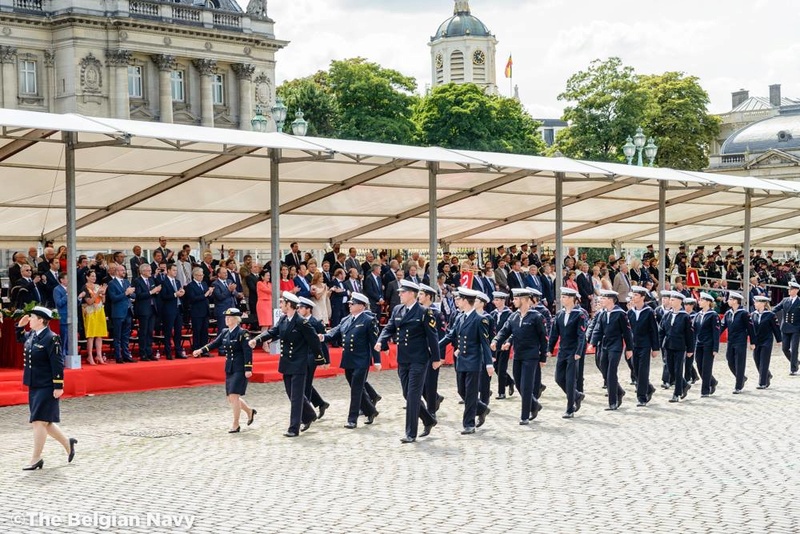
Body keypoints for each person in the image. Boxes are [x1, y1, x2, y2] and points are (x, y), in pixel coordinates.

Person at [249, 292, 322, 438]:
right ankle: (309, 415)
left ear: (289, 305)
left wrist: (320, 359)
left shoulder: (302, 322)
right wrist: (257, 339)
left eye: (282, 303)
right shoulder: (283, 319)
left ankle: (293, 428)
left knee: (296, 397)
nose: (281, 305)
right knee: (292, 394)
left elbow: (314, 340)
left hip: (299, 363)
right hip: (286, 362)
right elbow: (272, 332)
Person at [376, 280, 441, 443]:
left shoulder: (424, 312)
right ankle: (428, 419)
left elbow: (432, 337)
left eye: (402, 292)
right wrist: (380, 341)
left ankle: (411, 433)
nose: (399, 295)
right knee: (407, 393)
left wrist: (436, 358)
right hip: (403, 358)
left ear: (412, 293)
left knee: (413, 394)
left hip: (419, 358)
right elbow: (389, 327)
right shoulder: (398, 309)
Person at [17, 306, 77, 470]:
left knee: (38, 421)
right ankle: (68, 443)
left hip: (46, 385)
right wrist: (20, 326)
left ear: (42, 320)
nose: (30, 319)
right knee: (45, 422)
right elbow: (21, 339)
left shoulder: (51, 338)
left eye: (33, 317)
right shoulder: (33, 335)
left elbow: (57, 363)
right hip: (34, 384)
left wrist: (58, 385)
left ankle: (36, 459)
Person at [321, 292, 381, 429]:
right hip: (348, 359)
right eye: (349, 303)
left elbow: (374, 342)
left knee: (356, 390)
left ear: (361, 306)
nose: (349, 305)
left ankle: (352, 419)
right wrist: (323, 337)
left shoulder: (368, 320)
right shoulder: (346, 319)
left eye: (352, 304)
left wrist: (377, 361)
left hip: (361, 360)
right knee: (355, 388)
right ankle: (371, 410)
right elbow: (334, 333)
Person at [438, 287, 493, 435]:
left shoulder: (480, 319)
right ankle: (481, 408)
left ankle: (469, 424)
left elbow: (485, 343)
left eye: (459, 299)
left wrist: (489, 363)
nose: (457, 301)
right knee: (461, 390)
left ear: (465, 301)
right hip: (462, 359)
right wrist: (435, 347)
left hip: (474, 361)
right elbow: (450, 336)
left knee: (470, 393)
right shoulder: (459, 317)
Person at [193, 308, 256, 433]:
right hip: (230, 367)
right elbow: (215, 343)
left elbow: (247, 351)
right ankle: (249, 411)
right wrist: (201, 350)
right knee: (231, 398)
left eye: (229, 317)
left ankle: (236, 424)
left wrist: (248, 368)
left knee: (234, 395)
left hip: (240, 368)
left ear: (236, 319)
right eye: (226, 317)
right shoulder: (225, 332)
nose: (227, 319)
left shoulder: (243, 333)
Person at [491, 288, 547, 425]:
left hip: (531, 356)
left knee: (526, 385)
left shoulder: (536, 317)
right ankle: (534, 405)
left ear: (524, 300)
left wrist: (543, 357)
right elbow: (505, 330)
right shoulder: (513, 316)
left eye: (516, 299)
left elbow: (543, 338)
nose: (513, 301)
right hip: (518, 355)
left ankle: (525, 416)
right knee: (519, 384)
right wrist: (496, 340)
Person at [590, 290, 634, 411]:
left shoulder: (620, 314)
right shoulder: (603, 313)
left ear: (610, 300)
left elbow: (627, 332)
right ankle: (619, 391)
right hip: (605, 345)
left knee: (611, 372)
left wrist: (629, 348)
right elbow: (598, 329)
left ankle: (613, 401)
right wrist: (592, 343)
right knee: (603, 369)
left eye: (603, 298)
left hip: (616, 346)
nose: (601, 301)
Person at [548, 287, 587, 419]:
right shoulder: (559, 314)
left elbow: (581, 334)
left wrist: (578, 351)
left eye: (564, 297)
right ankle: (576, 395)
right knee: (559, 378)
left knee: (570, 380)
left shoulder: (580, 314)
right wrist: (549, 349)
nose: (561, 299)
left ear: (572, 299)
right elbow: (554, 334)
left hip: (573, 350)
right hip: (563, 350)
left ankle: (570, 408)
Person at [297, 297, 331, 419]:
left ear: (308, 309)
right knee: (303, 383)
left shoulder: (316, 323)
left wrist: (326, 360)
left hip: (312, 356)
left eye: (301, 308)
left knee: (306, 384)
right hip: (301, 356)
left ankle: (306, 412)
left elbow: (322, 342)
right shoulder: (298, 321)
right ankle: (321, 403)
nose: (299, 310)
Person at [627, 286, 659, 407]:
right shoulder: (630, 312)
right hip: (634, 345)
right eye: (633, 295)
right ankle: (649, 388)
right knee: (635, 370)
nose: (633, 297)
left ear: (642, 297)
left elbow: (653, 330)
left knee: (643, 370)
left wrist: (655, 348)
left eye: (636, 295)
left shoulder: (649, 311)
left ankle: (642, 397)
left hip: (645, 345)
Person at [660, 291, 694, 402]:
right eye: (671, 299)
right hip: (668, 346)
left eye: (673, 300)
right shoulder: (667, 315)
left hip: (680, 347)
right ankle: (684, 385)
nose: (670, 301)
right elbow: (662, 331)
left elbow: (689, 334)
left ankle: (677, 394)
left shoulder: (685, 316)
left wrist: (690, 349)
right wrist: (658, 344)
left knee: (678, 370)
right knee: (670, 369)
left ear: (679, 301)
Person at [720, 291, 755, 394]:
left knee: (740, 362)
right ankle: (741, 377)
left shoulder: (744, 313)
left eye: (730, 299)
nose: (728, 301)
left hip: (740, 341)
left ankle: (738, 385)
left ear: (736, 301)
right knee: (730, 360)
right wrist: (715, 337)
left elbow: (750, 328)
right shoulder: (728, 313)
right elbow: (722, 326)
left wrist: (752, 342)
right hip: (730, 340)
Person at [418, 283, 445, 417]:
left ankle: (431, 410)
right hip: (420, 352)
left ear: (428, 296)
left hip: (432, 352)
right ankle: (434, 399)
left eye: (421, 294)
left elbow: (441, 335)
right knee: (420, 381)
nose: (419, 296)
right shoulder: (418, 311)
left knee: (430, 382)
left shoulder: (436, 313)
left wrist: (440, 356)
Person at [752, 295, 781, 389]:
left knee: (764, 362)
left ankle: (762, 383)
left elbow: (776, 328)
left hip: (766, 341)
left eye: (757, 302)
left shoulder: (770, 315)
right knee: (757, 361)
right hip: (756, 341)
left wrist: (779, 340)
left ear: (763, 303)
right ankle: (767, 375)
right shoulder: (753, 314)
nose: (755, 304)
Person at [694, 292, 720, 398]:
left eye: (702, 300)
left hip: (708, 345)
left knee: (706, 367)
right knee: (699, 366)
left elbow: (716, 332)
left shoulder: (713, 315)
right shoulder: (698, 314)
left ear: (708, 302)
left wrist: (715, 348)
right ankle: (712, 381)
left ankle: (705, 390)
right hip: (699, 344)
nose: (699, 302)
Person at [772, 280, 800, 375]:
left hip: (796, 328)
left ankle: (793, 368)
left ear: (796, 290)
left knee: (794, 348)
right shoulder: (785, 300)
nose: (789, 290)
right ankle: (796, 361)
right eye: (789, 289)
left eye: (791, 289)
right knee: (785, 348)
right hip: (785, 327)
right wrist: (767, 314)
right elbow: (776, 308)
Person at [159, 264, 187, 360]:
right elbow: (164, 296)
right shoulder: (164, 282)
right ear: (168, 270)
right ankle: (168, 352)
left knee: (178, 331)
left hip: (178, 308)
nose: (175, 272)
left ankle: (178, 351)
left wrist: (182, 293)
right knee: (168, 331)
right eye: (174, 270)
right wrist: (175, 294)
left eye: (176, 270)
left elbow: (179, 293)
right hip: (168, 309)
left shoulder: (178, 282)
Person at [490, 292, 514, 399]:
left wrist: (508, 341)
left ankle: (501, 392)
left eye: (498, 300)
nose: (496, 302)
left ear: (503, 301)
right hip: (494, 344)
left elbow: (511, 330)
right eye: (495, 300)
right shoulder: (493, 314)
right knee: (495, 367)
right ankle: (509, 381)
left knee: (502, 368)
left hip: (504, 344)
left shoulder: (509, 314)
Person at [81, 270, 108, 365]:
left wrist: (103, 293)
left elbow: (103, 300)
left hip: (99, 311)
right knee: (91, 335)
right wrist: (97, 294)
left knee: (99, 335)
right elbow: (89, 302)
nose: (94, 278)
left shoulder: (97, 286)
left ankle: (99, 355)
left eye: (95, 276)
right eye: (92, 276)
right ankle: (90, 356)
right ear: (87, 277)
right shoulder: (85, 287)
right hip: (90, 312)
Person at [184, 267, 213, 354]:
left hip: (205, 310)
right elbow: (192, 298)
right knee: (197, 331)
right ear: (194, 276)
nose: (201, 277)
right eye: (200, 275)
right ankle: (196, 349)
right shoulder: (190, 286)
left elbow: (208, 297)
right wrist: (205, 295)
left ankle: (204, 349)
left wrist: (210, 293)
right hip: (196, 312)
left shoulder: (204, 283)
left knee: (205, 331)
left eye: (202, 275)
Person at [52, 272, 70, 359]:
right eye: (67, 278)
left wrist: (79, 298)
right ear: (62, 280)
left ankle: (69, 354)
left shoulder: (71, 288)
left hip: (71, 316)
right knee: (63, 338)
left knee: (70, 339)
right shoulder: (57, 289)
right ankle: (62, 356)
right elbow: (59, 303)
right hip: (63, 316)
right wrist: (67, 295)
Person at [256, 269, 274, 338]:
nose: (268, 277)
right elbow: (268, 291)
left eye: (269, 275)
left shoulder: (270, 284)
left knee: (270, 324)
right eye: (267, 275)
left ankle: (267, 340)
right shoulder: (259, 283)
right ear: (262, 276)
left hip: (269, 304)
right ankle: (263, 341)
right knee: (265, 324)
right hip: (263, 304)